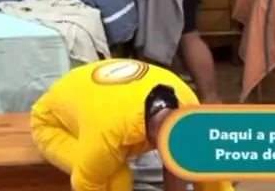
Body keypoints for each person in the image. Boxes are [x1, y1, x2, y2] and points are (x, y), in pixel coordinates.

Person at [30, 58, 234, 191]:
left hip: (105, 95)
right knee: (116, 178)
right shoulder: (108, 132)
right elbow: (85, 183)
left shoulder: (187, 104)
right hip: (53, 123)